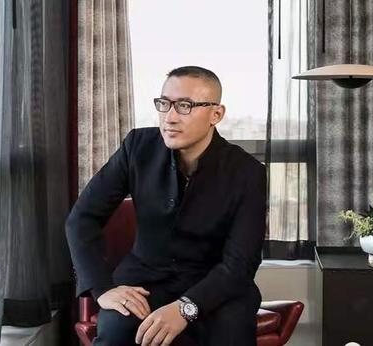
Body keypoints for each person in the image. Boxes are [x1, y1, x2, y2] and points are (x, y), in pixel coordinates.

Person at [65, 66, 267, 346]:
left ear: (216, 114)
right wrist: (101, 289)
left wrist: (186, 308)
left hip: (215, 287)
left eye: (185, 106)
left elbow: (240, 264)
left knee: (229, 330)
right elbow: (82, 218)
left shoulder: (247, 172)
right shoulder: (138, 146)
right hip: (143, 281)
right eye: (164, 103)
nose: (170, 117)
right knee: (117, 329)